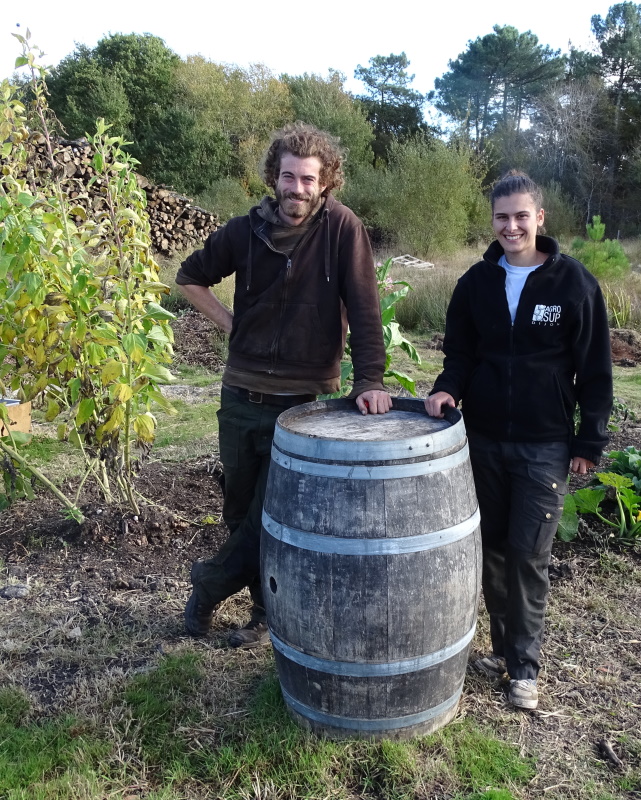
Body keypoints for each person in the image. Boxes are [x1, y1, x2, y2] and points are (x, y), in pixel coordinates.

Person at [177, 122, 392, 648]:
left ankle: (207, 588)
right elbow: (188, 278)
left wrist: (369, 379)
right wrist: (234, 325)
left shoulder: (343, 230)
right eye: (289, 177)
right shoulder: (244, 231)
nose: (297, 189)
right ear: (275, 177)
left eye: (309, 179)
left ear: (326, 182)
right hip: (240, 394)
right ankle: (261, 612)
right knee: (241, 511)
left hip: (304, 404)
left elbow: (365, 310)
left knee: (275, 513)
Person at [424, 171, 612, 709]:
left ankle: (525, 669)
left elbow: (595, 371)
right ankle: (504, 652)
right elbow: (460, 355)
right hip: (481, 441)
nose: (512, 226)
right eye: (502, 217)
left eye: (521, 216)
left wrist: (587, 442)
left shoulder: (573, 284)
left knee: (530, 555)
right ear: (493, 222)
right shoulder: (474, 284)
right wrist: (446, 390)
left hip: (544, 446)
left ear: (540, 219)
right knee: (494, 553)